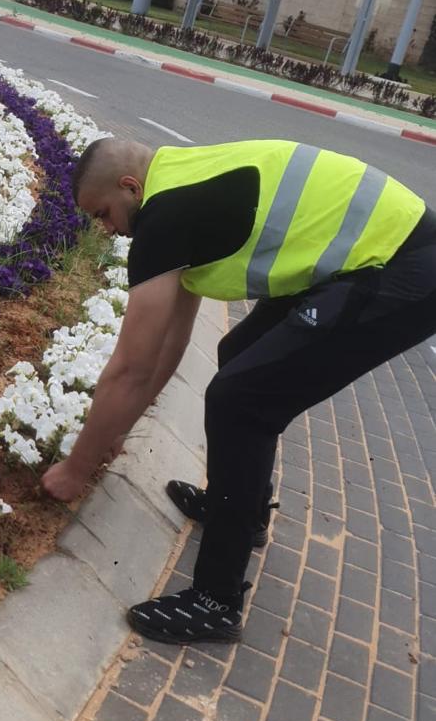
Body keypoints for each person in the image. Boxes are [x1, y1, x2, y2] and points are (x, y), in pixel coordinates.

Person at [42, 135, 436, 646]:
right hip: (373, 258)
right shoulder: (180, 180)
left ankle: (215, 602)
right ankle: (243, 514)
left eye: (104, 213)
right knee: (239, 356)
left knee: (239, 401)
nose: (110, 230)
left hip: (400, 270)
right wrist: (115, 430)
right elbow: (166, 347)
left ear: (129, 187)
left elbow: (130, 369)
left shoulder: (164, 216)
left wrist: (76, 468)